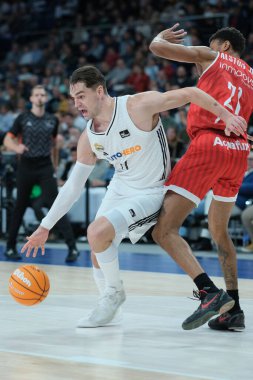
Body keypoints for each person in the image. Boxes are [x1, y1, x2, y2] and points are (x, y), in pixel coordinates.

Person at [21, 65, 246, 329]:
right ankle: (111, 306)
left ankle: (115, 294)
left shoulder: (137, 106)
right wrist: (45, 227)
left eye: (81, 95)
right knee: (98, 246)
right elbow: (72, 186)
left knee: (96, 232)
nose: (76, 103)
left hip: (152, 190)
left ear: (100, 91)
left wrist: (225, 115)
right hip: (120, 187)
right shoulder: (88, 137)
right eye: (73, 98)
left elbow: (191, 92)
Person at [150, 25, 253, 331]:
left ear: (222, 47)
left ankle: (209, 293)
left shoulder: (212, 57)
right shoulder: (251, 74)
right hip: (238, 152)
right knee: (219, 231)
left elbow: (157, 49)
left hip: (209, 144)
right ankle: (234, 309)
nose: (199, 69)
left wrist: (161, 38)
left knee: (163, 230)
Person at [3, 85, 80, 263]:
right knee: (19, 206)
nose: (39, 97)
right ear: (31, 99)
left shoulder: (53, 120)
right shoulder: (22, 118)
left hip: (45, 167)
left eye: (42, 95)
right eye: (36, 95)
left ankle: (72, 247)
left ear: (45, 98)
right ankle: (10, 246)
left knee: (58, 205)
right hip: (26, 166)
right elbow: (7, 139)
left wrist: (53, 166)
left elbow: (53, 145)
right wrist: (16, 147)